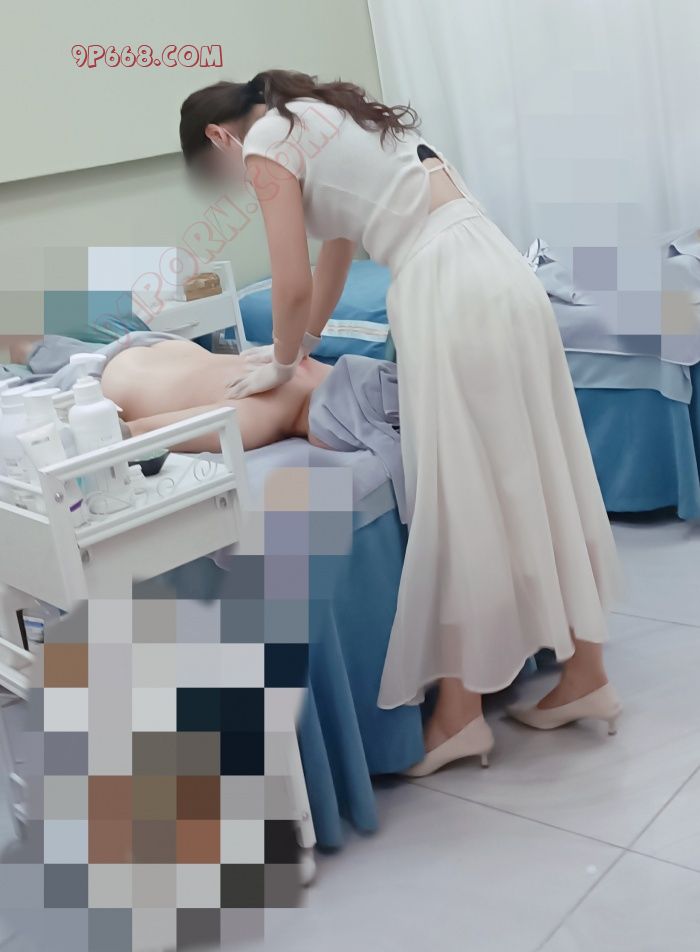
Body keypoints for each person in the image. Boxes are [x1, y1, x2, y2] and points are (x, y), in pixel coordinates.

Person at [179, 70, 623, 776]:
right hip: (501, 271)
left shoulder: (263, 142)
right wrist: (305, 344)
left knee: (463, 494)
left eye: (219, 171)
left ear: (217, 136)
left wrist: (281, 362)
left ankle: (459, 716)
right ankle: (586, 671)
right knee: (542, 471)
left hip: (448, 289)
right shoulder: (323, 117)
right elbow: (336, 253)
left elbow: (289, 282)